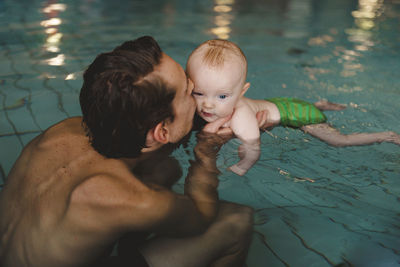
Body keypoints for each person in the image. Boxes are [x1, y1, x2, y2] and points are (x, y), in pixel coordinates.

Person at [0, 36, 254, 267]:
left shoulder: (63, 130)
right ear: (161, 132)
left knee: (164, 170)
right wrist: (207, 152)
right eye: (191, 92)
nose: (198, 98)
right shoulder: (128, 197)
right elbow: (201, 215)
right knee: (237, 221)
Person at [186, 39, 400, 176]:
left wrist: (242, 166)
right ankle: (320, 105)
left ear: (243, 92)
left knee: (338, 141)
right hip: (280, 103)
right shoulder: (214, 104)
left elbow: (254, 149)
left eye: (222, 96)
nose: (208, 104)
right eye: (199, 93)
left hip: (298, 114)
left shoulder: (242, 117)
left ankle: (387, 135)